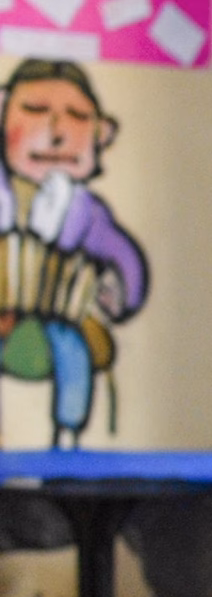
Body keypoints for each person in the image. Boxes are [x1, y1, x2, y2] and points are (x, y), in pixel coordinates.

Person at [0, 59, 147, 444]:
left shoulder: (87, 216)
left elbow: (125, 261)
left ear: (101, 134)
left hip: (61, 323)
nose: (55, 134)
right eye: (34, 111)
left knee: (72, 352)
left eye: (78, 118)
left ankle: (67, 438)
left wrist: (121, 295)